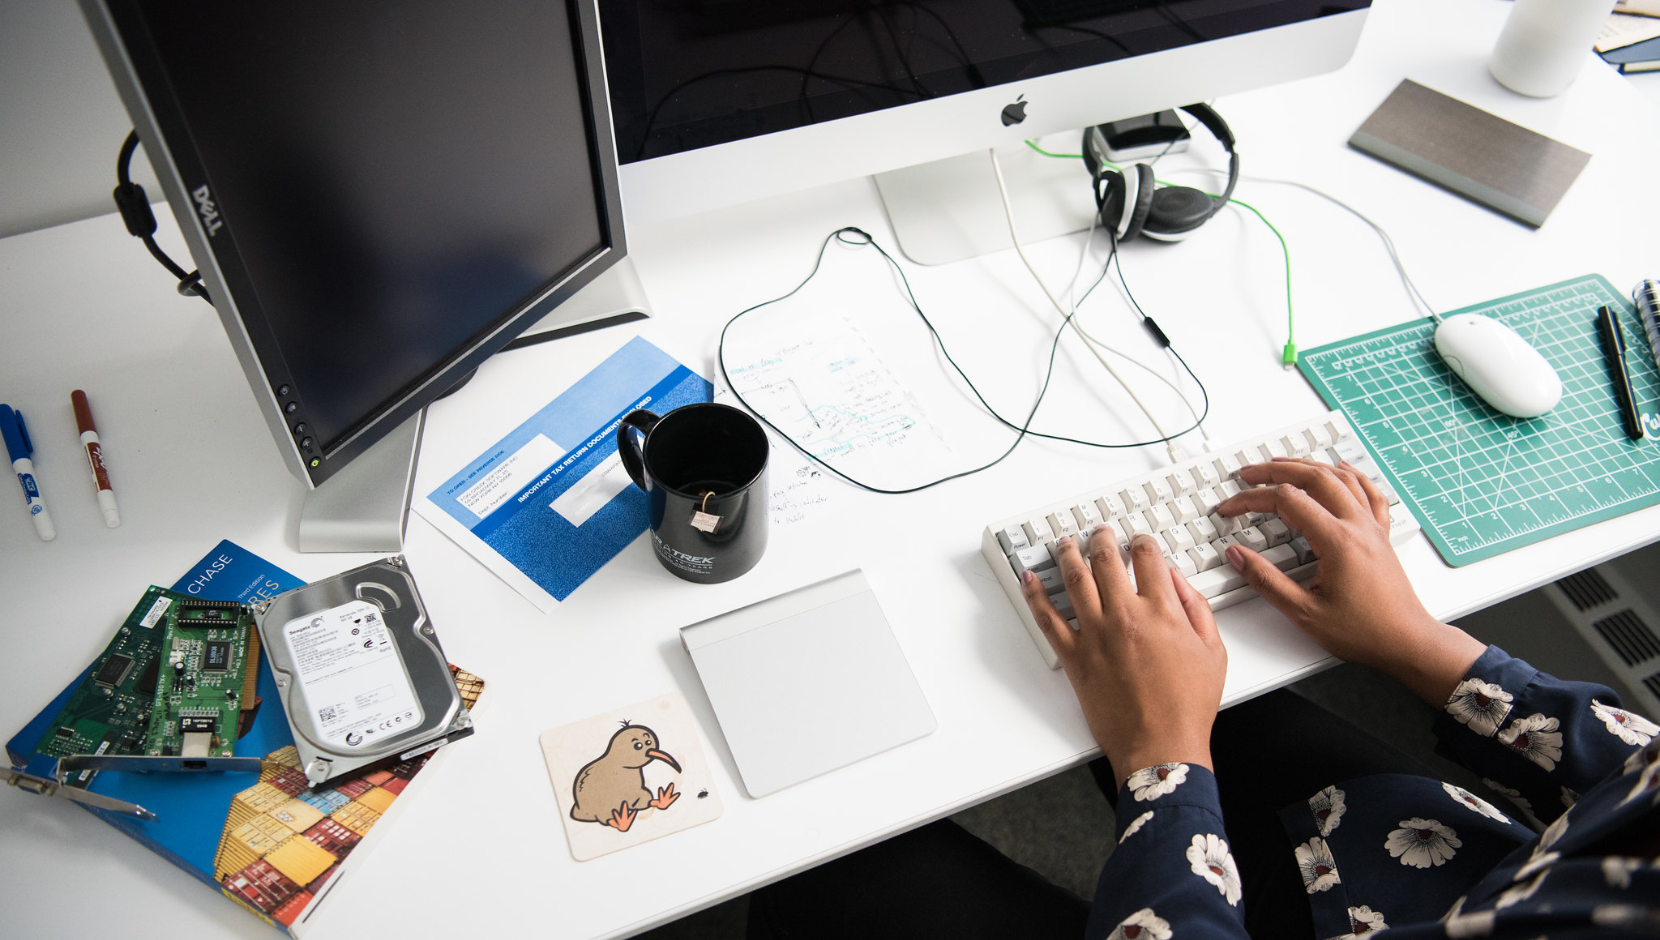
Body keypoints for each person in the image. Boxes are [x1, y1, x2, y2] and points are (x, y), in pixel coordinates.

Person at [747, 459, 1660, 939]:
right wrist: (1420, 643)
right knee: (1187, 669)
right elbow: (1637, 777)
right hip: (1439, 869)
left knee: (834, 855)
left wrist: (1160, 757)